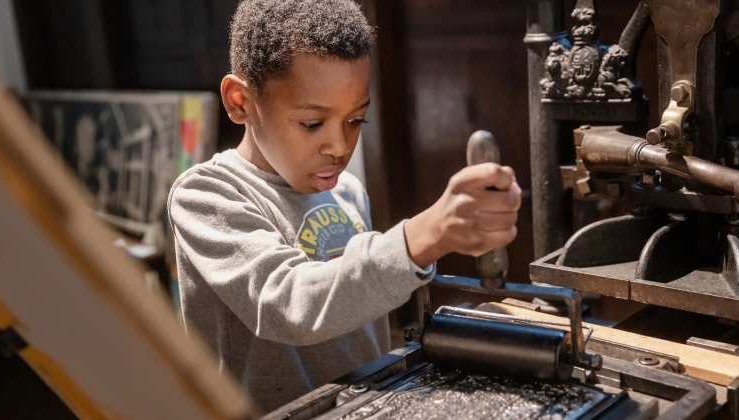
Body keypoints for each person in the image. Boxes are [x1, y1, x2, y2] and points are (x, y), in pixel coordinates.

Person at [167, 0, 522, 412]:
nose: (339, 147)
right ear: (240, 102)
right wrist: (422, 237)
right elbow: (290, 306)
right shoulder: (206, 196)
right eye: (312, 123)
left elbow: (358, 316)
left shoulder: (347, 191)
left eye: (355, 121)